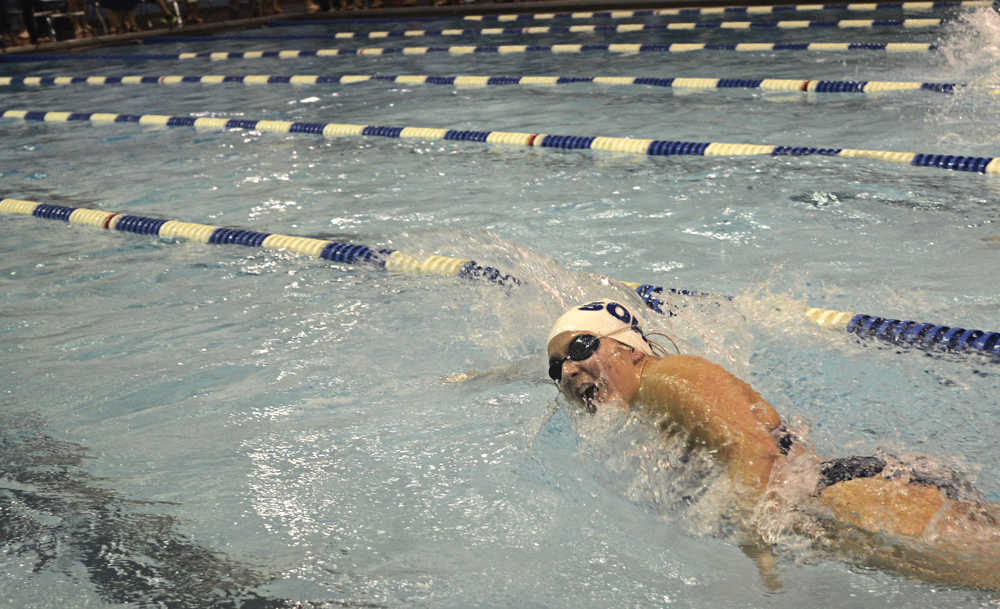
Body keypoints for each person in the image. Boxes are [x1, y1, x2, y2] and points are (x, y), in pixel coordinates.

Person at [546, 299, 1000, 592]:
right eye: (557, 366)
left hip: (851, 498)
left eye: (582, 346)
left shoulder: (668, 377)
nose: (568, 369)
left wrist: (754, 539)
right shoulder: (647, 409)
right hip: (846, 496)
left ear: (632, 349)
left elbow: (752, 450)